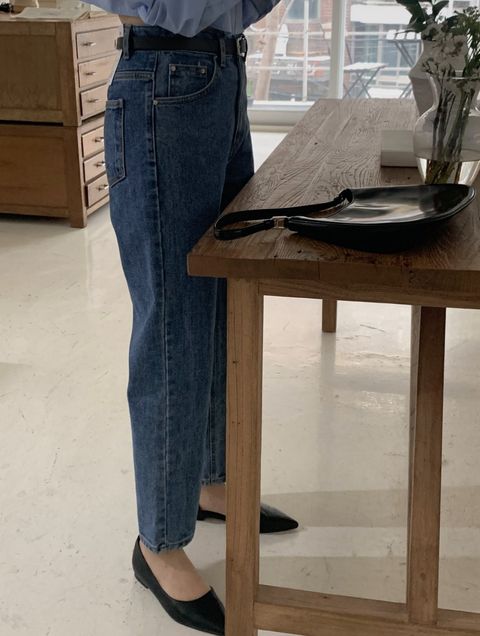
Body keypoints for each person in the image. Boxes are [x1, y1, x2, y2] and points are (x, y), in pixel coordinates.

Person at [89, 1, 299, 634]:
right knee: (173, 325)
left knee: (223, 304)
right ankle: (157, 540)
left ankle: (211, 484)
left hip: (222, 78)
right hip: (161, 82)